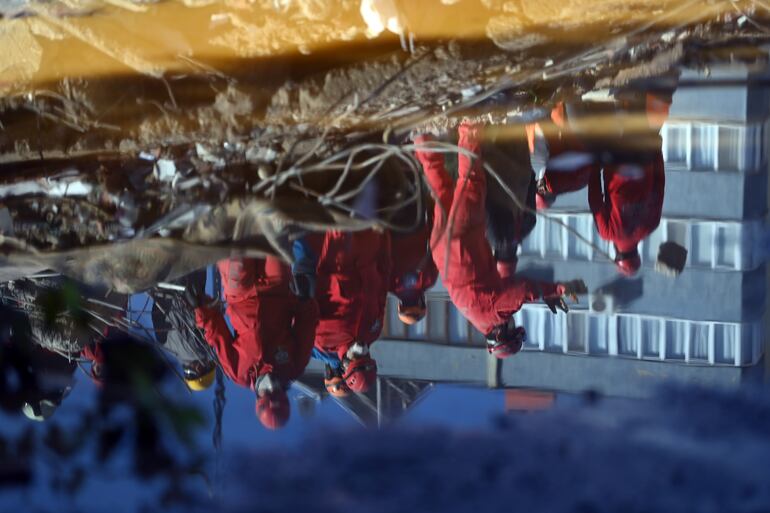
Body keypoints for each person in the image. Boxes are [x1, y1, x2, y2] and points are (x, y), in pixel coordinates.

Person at [415, 122, 586, 358]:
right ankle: (420, 138)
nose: (512, 321)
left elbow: (523, 290)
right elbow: (506, 282)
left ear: (501, 333)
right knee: (441, 186)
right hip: (441, 249)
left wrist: (554, 289)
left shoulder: (495, 315)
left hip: (463, 242)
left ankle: (470, 125)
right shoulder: (477, 316)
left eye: (512, 327)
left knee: (471, 180)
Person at [531, 94, 669, 277]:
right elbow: (595, 196)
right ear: (617, 253)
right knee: (584, 130)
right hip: (616, 156)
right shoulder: (608, 232)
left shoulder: (652, 225)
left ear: (636, 252)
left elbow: (659, 186)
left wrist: (656, 149)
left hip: (642, 157)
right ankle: (576, 92)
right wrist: (596, 161)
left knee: (635, 105)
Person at [193, 240, 319, 430]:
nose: (272, 385)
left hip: (240, 295)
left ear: (259, 397)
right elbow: (306, 326)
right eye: (278, 389)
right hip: (277, 289)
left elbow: (217, 334)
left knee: (236, 250)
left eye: (268, 391)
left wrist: (200, 308)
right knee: (275, 240)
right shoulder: (294, 366)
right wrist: (304, 299)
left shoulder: (238, 373)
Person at [312, 229, 390, 394]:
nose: (362, 351)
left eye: (358, 357)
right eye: (366, 356)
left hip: (338, 251)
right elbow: (382, 291)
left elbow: (311, 292)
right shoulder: (373, 332)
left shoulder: (323, 340)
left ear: (346, 365)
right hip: (370, 246)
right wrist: (385, 241)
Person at [149, 269, 217, 392]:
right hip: (162, 281)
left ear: (200, 369)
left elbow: (207, 315)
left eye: (209, 365)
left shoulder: (204, 348)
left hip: (189, 278)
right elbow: (155, 314)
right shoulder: (166, 347)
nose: (209, 361)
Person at [389, 220, 438, 326]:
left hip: (416, 224)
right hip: (392, 226)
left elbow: (435, 246)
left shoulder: (428, 281)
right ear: (399, 306)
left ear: (422, 304)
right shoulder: (389, 285)